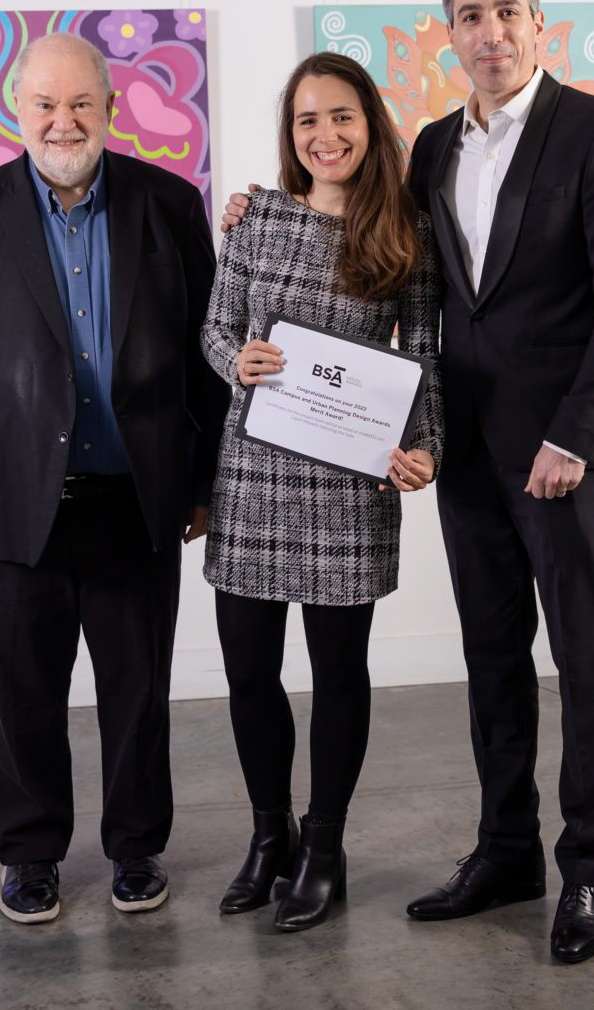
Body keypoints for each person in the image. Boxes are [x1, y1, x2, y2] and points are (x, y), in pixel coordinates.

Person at [223, 0, 594, 963]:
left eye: (507, 11)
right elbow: (386, 267)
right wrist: (255, 209)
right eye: (470, 14)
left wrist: (574, 436)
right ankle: (505, 849)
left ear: (538, 22)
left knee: (583, 664)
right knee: (492, 661)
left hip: (565, 459)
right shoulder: (429, 147)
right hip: (464, 456)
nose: (490, 32)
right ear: (450, 31)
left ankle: (586, 871)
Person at [0, 31, 229, 926]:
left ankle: (136, 847)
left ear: (109, 107)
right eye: (45, 105)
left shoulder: (169, 205)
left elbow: (205, 357)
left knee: (138, 690)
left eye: (81, 103)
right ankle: (30, 854)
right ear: (18, 113)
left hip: (137, 500)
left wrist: (203, 479)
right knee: (23, 694)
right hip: (13, 504)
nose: (64, 121)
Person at [201, 51, 442, 932]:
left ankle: (325, 847)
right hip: (253, 474)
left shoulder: (405, 229)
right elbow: (216, 328)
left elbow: (423, 359)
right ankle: (270, 838)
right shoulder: (256, 217)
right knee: (248, 671)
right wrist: (240, 362)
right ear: (290, 134)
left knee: (339, 674)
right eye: (307, 120)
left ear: (368, 125)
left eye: (340, 116)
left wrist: (423, 449)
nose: (324, 134)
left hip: (350, 486)